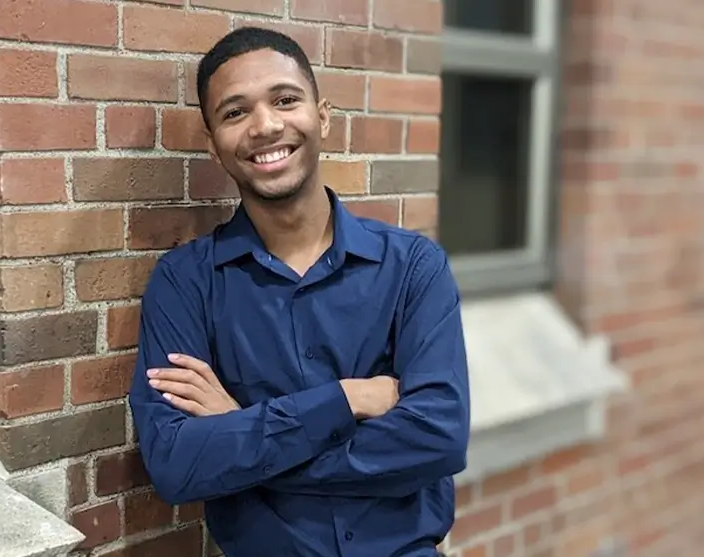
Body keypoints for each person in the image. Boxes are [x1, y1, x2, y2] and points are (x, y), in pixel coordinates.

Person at [128, 27, 470, 557]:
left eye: (285, 100)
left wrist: (242, 432)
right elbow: (177, 465)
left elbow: (438, 437)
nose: (266, 126)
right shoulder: (185, 283)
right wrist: (346, 400)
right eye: (235, 112)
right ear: (213, 143)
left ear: (323, 115)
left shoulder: (412, 267)